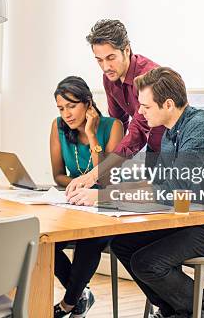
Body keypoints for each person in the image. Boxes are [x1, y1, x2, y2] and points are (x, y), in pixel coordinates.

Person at [106, 67, 204, 318]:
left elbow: (177, 189)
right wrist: (112, 192)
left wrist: (111, 197)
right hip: (196, 221)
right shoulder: (169, 133)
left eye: (146, 106)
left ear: (168, 104)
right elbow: (160, 185)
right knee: (122, 244)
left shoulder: (200, 128)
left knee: (148, 262)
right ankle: (177, 309)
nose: (140, 112)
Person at [50, 76, 123, 318]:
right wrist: (77, 188)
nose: (66, 114)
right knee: (43, 242)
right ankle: (81, 295)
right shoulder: (58, 126)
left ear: (88, 103)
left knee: (89, 238)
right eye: (61, 108)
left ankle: (69, 303)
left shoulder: (112, 127)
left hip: (106, 204)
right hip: (73, 204)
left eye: (71, 106)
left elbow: (105, 179)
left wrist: (92, 136)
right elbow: (58, 175)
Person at [66, 19, 165, 193]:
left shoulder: (149, 77)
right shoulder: (109, 79)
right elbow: (117, 124)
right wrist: (104, 169)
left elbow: (139, 131)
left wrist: (96, 173)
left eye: (111, 58)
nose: (105, 67)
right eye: (99, 60)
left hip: (172, 151)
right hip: (152, 153)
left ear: (126, 50)